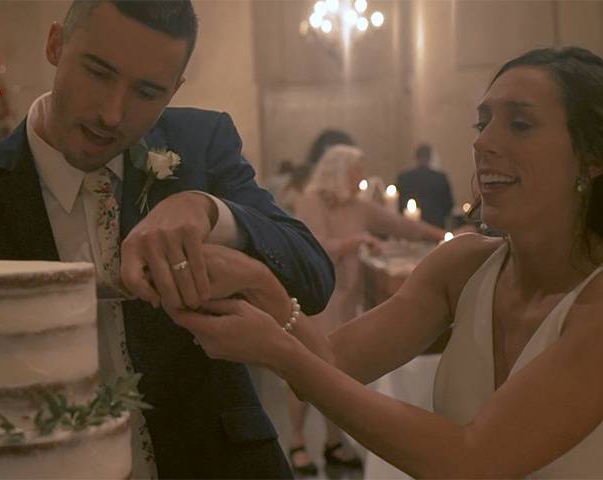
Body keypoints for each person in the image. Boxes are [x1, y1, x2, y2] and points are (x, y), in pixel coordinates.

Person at [0, 1, 335, 478]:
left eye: (147, 91)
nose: (111, 114)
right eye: (98, 73)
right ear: (55, 44)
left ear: (174, 90)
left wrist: (209, 210)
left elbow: (313, 277)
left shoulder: (201, 144)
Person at [171, 46, 603, 478]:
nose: (482, 141)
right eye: (483, 122)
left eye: (520, 124)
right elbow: (335, 366)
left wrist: (279, 350)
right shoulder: (462, 266)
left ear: (592, 156)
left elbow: (473, 459)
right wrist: (263, 288)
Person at [286, 144, 445, 474]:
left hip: (345, 298)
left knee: (336, 371)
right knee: (303, 369)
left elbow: (401, 225)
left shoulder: (359, 205)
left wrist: (444, 235)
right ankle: (298, 442)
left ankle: (332, 442)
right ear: (338, 170)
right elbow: (312, 248)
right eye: (356, 170)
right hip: (317, 298)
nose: (361, 177)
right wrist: (355, 241)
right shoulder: (311, 200)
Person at [396, 143, 454, 228]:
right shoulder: (440, 178)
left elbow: (399, 206)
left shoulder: (403, 177)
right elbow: (448, 206)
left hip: (409, 227)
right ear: (431, 157)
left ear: (416, 157)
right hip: (435, 227)